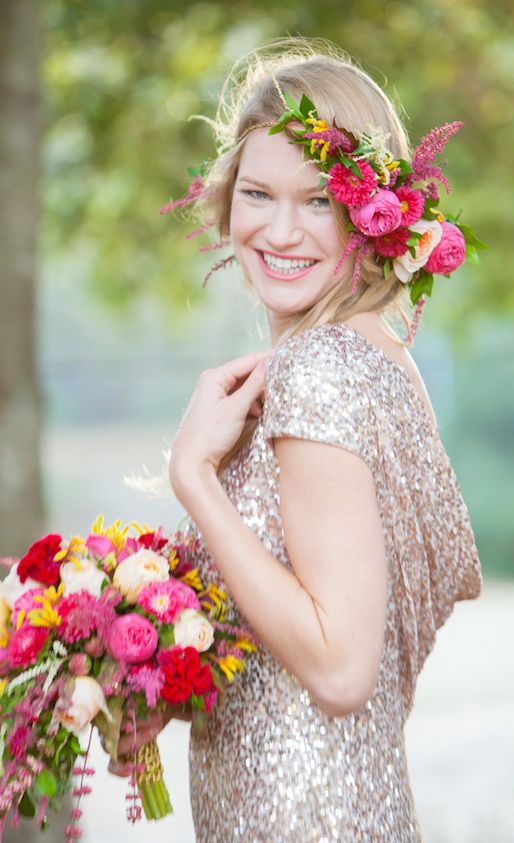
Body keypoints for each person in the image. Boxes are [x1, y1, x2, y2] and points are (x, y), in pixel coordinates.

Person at [105, 38, 483, 842]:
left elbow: (342, 671)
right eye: (257, 193)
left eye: (318, 200)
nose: (281, 230)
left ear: (373, 212)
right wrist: (164, 679)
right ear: (225, 199)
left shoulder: (319, 369)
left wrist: (195, 477)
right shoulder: (383, 357)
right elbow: (309, 623)